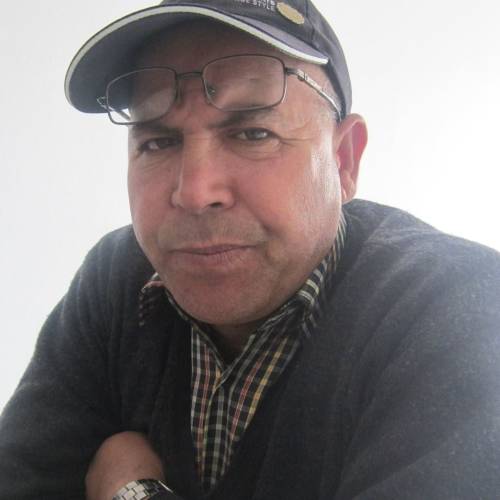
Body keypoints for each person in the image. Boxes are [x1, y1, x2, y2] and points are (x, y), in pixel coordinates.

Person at [1, 0, 499, 498]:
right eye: (158, 142)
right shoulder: (116, 281)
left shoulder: (461, 310)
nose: (195, 192)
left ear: (343, 161)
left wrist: (132, 490)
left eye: (253, 133)